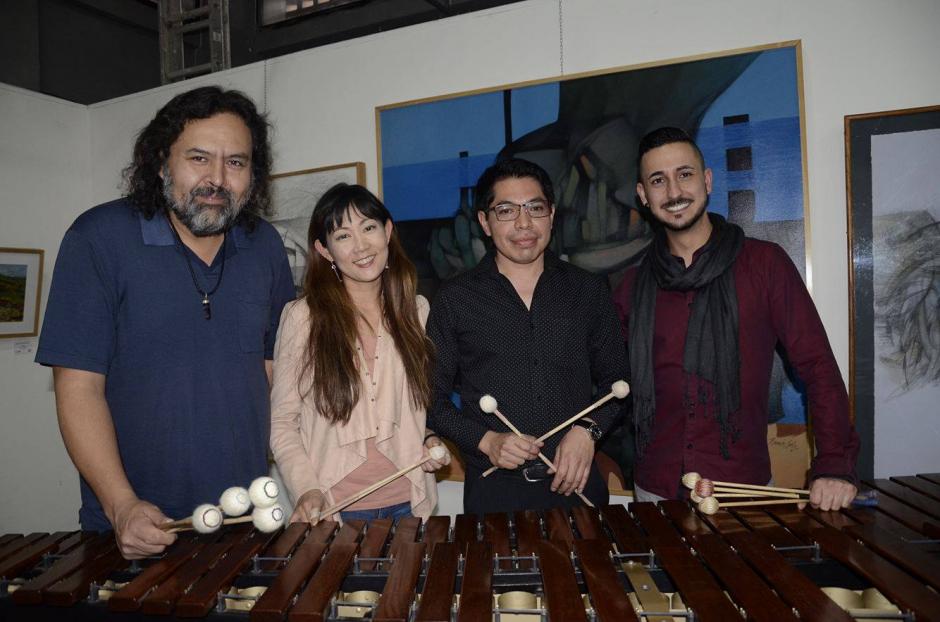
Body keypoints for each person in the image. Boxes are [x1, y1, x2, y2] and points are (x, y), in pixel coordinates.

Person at [35, 86, 296, 558]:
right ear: (160, 162)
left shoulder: (265, 248)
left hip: (247, 519)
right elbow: (78, 388)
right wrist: (121, 506)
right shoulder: (99, 239)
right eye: (199, 158)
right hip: (136, 526)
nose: (217, 178)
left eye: (236, 162)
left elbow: (276, 372)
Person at [613, 126, 860, 510]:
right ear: (644, 196)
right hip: (654, 492)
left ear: (707, 180)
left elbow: (818, 366)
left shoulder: (765, 264)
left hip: (742, 491)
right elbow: (606, 380)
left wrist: (833, 466)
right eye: (658, 181)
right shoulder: (631, 286)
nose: (674, 192)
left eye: (685, 174)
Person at [427, 158, 628, 514]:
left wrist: (588, 433)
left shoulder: (589, 290)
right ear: (485, 223)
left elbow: (619, 382)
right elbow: (432, 401)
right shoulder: (455, 299)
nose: (523, 223)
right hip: (494, 495)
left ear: (551, 214)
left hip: (576, 487)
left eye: (534, 208)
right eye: (505, 210)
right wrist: (487, 441)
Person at [270, 184, 448, 524]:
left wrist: (429, 438)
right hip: (336, 506)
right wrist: (306, 489)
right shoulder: (302, 317)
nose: (361, 246)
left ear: (388, 232)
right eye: (343, 236)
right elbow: (282, 422)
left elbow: (419, 407)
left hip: (409, 501)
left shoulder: (416, 310)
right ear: (324, 250)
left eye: (369, 228)